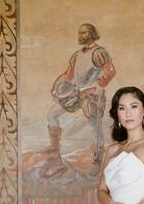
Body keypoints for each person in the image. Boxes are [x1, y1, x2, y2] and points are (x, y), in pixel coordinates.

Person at [44, 23, 116, 174]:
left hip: (92, 94)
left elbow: (110, 71)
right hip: (76, 93)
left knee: (94, 125)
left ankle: (97, 160)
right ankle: (54, 151)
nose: (80, 35)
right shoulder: (77, 54)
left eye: (83, 33)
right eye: (79, 33)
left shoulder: (98, 52)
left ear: (91, 34)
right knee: (52, 115)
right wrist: (57, 85)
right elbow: (69, 73)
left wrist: (97, 86)